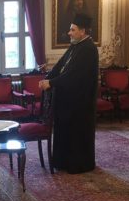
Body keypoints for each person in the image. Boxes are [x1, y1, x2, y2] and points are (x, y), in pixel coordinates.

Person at [38, 13, 98, 174]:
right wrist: (47, 78)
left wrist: (51, 83)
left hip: (80, 102)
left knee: (76, 133)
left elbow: (73, 75)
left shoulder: (88, 49)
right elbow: (60, 66)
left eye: (73, 30)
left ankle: (77, 164)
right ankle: (62, 161)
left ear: (83, 31)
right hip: (67, 99)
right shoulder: (75, 46)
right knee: (64, 130)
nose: (69, 33)